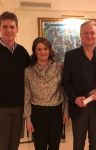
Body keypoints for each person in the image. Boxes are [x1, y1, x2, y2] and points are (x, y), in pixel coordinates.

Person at [62, 21, 96, 150]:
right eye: (86, 33)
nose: (89, 36)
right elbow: (66, 82)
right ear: (80, 35)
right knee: (78, 144)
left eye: (92, 33)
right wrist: (75, 98)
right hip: (79, 107)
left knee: (95, 144)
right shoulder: (70, 56)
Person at [23, 37, 69, 150]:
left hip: (55, 111)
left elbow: (64, 92)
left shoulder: (58, 68)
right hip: (37, 112)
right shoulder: (28, 71)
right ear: (34, 51)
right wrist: (28, 119)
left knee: (54, 146)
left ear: (50, 50)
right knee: (40, 146)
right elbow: (27, 95)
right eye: (39, 49)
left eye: (45, 48)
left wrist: (66, 112)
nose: (43, 52)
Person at [0, 11, 30, 150]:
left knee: (14, 144)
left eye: (12, 27)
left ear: (17, 29)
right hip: (1, 108)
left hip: (19, 107)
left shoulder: (22, 52)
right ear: (0, 28)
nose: (9, 30)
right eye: (5, 26)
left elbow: (33, 71)